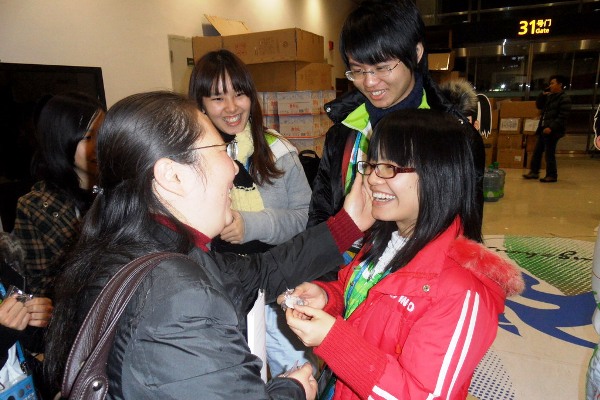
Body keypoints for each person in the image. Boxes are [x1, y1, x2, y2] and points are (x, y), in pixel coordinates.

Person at [44, 91, 374, 399]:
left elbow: (261, 272)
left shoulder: (144, 244)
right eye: (221, 151)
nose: (233, 168)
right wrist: (293, 389)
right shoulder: (178, 297)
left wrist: (347, 225)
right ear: (172, 175)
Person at [282, 109, 524, 400]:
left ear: (437, 174)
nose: (372, 179)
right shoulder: (385, 241)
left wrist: (334, 341)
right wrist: (327, 297)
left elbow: (424, 395)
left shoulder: (461, 290)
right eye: (372, 165)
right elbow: (365, 304)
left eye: (389, 167)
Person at [189, 49, 316, 378]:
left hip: (279, 285)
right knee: (238, 379)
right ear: (201, 104)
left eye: (239, 93)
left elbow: (305, 217)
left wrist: (251, 225)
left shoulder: (278, 150)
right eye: (218, 98)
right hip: (219, 293)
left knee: (302, 374)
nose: (232, 107)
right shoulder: (191, 159)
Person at [307, 0, 485, 234]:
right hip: (347, 257)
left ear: (416, 53)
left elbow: (465, 228)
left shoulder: (454, 135)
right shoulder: (344, 133)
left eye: (382, 67)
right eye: (358, 70)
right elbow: (320, 213)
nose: (369, 82)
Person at [11, 92, 105, 297]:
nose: (99, 145)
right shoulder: (35, 207)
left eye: (103, 133)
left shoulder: (119, 188)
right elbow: (40, 286)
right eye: (88, 137)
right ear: (61, 141)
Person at [1, 232, 53, 398]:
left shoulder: (4, 270)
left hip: (24, 387)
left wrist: (42, 319)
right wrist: (4, 334)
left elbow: (35, 343)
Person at [523, 74, 572, 183]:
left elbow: (563, 116)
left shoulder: (564, 98)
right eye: (550, 83)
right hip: (543, 129)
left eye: (552, 83)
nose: (550, 85)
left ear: (560, 84)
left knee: (549, 153)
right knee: (537, 151)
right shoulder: (550, 96)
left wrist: (551, 127)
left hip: (553, 131)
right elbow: (539, 106)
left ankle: (552, 175)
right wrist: (542, 94)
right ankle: (534, 172)